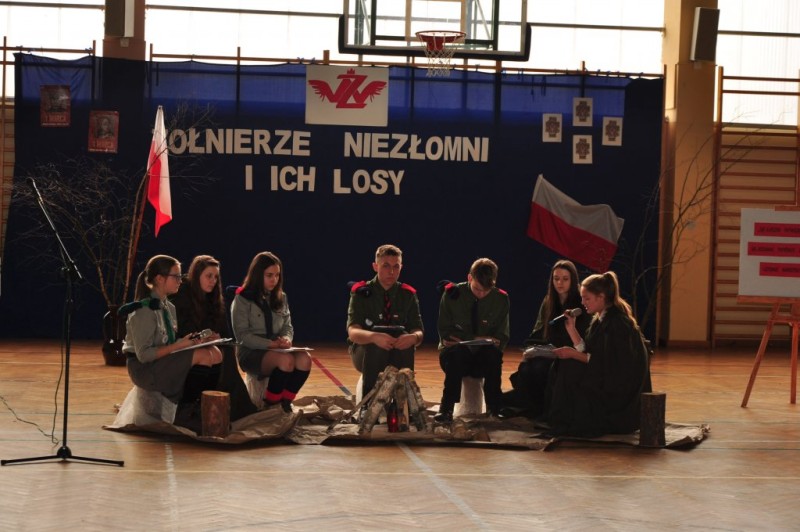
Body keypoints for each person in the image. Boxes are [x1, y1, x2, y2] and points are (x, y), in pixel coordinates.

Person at [121, 254, 224, 430]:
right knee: (203, 356)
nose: (180, 281)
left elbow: (167, 340)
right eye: (175, 276)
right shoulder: (144, 310)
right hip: (145, 369)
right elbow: (144, 355)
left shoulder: (169, 307)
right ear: (159, 279)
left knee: (215, 352)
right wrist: (178, 345)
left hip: (161, 361)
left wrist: (195, 340)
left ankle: (200, 407)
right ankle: (184, 413)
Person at [545, 271, 652, 437]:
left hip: (619, 391)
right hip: (606, 376)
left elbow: (609, 364)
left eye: (587, 298)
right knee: (563, 364)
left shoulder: (618, 323)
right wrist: (571, 329)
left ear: (601, 297)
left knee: (570, 367)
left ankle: (565, 421)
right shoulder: (600, 319)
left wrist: (573, 354)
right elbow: (590, 352)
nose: (583, 303)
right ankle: (560, 419)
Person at [170, 254, 257, 421]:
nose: (213, 281)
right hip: (185, 345)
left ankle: (224, 404)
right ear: (197, 276)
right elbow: (181, 328)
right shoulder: (182, 294)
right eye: (209, 276)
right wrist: (203, 336)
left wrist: (217, 336)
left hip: (207, 344)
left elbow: (225, 333)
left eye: (216, 277)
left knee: (227, 350)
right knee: (217, 352)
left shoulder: (214, 297)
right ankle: (200, 404)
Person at [502, 259, 591, 418]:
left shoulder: (580, 303)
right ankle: (532, 408)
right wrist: (532, 349)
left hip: (569, 350)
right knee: (526, 367)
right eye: (556, 279)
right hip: (549, 347)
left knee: (540, 368)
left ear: (573, 280)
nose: (560, 283)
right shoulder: (549, 300)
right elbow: (539, 329)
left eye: (565, 279)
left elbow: (583, 339)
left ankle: (544, 410)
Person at [230, 251, 311, 412]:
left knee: (305, 359)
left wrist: (286, 339)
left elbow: (287, 326)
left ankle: (284, 403)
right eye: (269, 275)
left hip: (277, 347)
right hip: (251, 351)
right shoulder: (242, 299)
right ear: (257, 275)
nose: (274, 280)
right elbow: (242, 336)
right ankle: (271, 406)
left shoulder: (281, 297)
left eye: (277, 275)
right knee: (286, 361)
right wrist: (270, 344)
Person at [434, 258, 509, 423]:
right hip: (454, 357)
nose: (481, 294)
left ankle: (495, 409)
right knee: (457, 354)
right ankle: (446, 409)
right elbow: (445, 332)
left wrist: (485, 342)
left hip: (483, 359)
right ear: (469, 278)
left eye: (486, 290)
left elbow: (502, 337)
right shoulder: (452, 295)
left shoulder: (501, 299)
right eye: (477, 289)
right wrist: (476, 339)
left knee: (493, 356)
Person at [347, 244, 424, 399]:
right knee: (377, 346)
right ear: (375, 266)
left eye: (396, 266)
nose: (391, 272)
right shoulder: (361, 292)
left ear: (401, 267)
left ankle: (404, 401)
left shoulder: (407, 294)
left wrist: (413, 338)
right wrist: (373, 337)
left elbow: (418, 330)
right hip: (365, 351)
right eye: (386, 266)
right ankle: (368, 403)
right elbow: (353, 332)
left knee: (406, 344)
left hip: (395, 349)